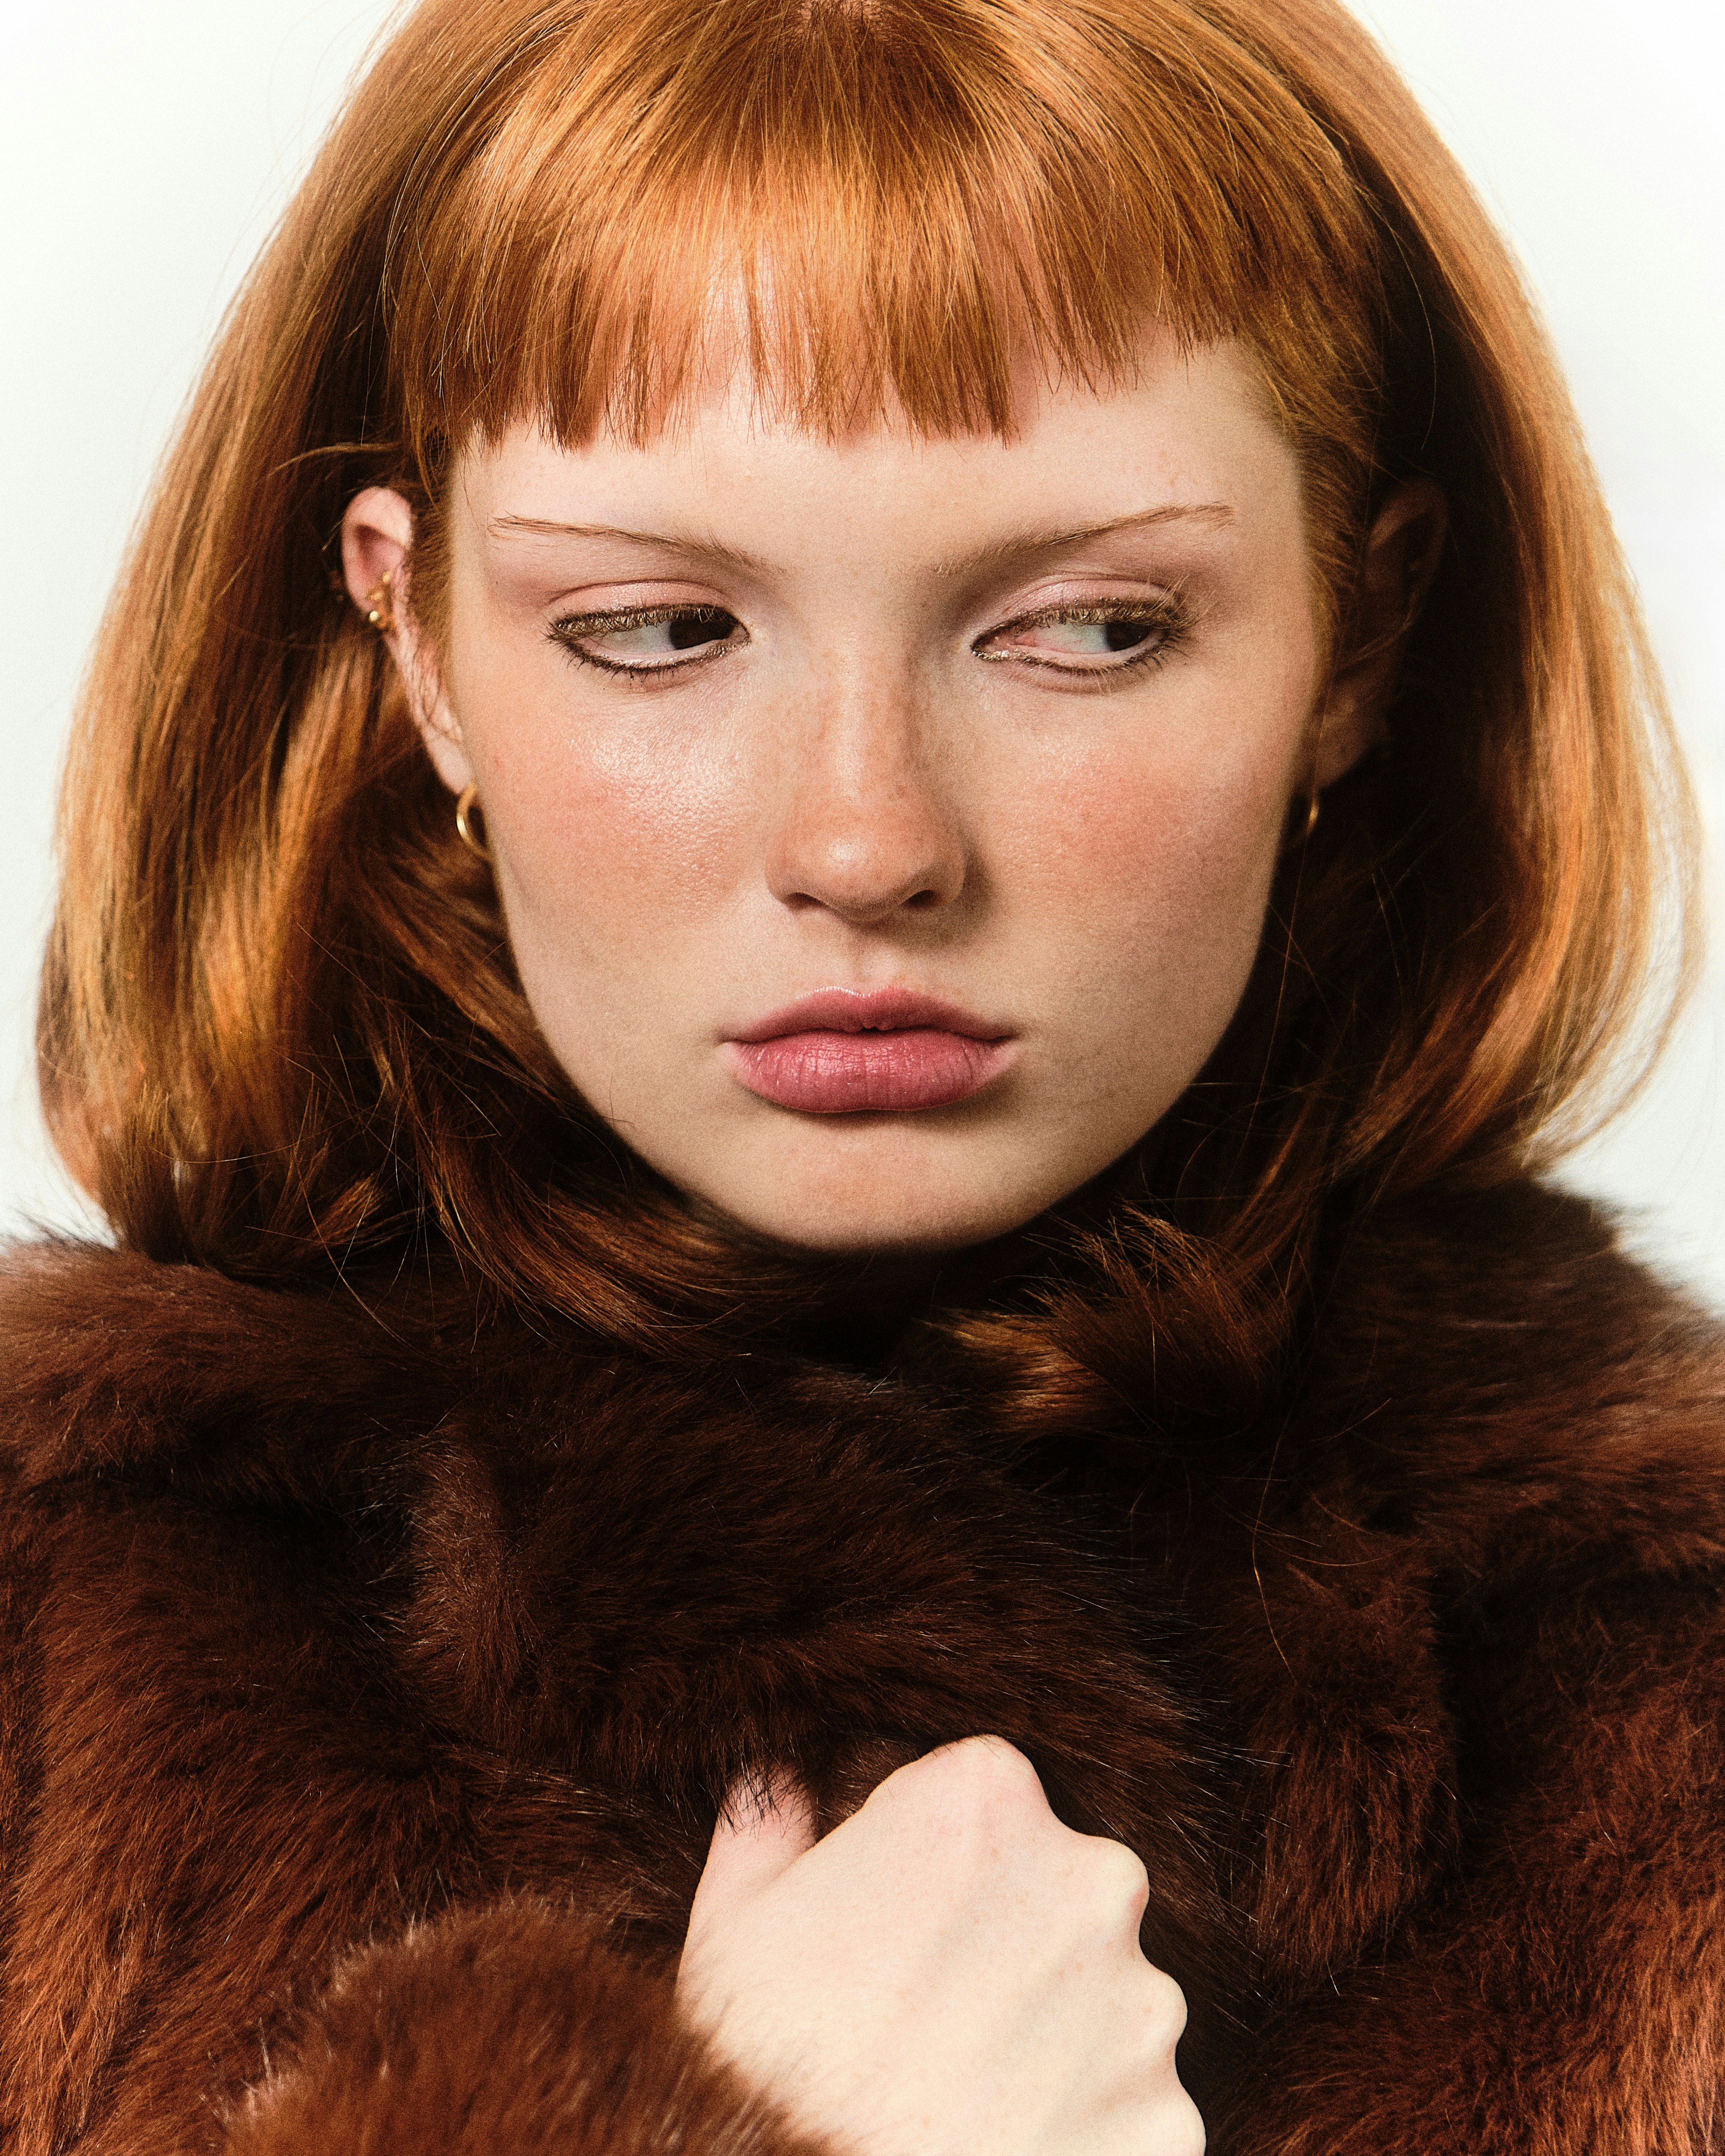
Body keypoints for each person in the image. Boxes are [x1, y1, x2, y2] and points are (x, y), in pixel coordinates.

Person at [6, 0, 1720, 2149]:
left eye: (1088, 626)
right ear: (418, 637)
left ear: (1355, 646)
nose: (865, 842)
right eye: (658, 626)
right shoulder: (50, 1608)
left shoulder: (1662, 1673)